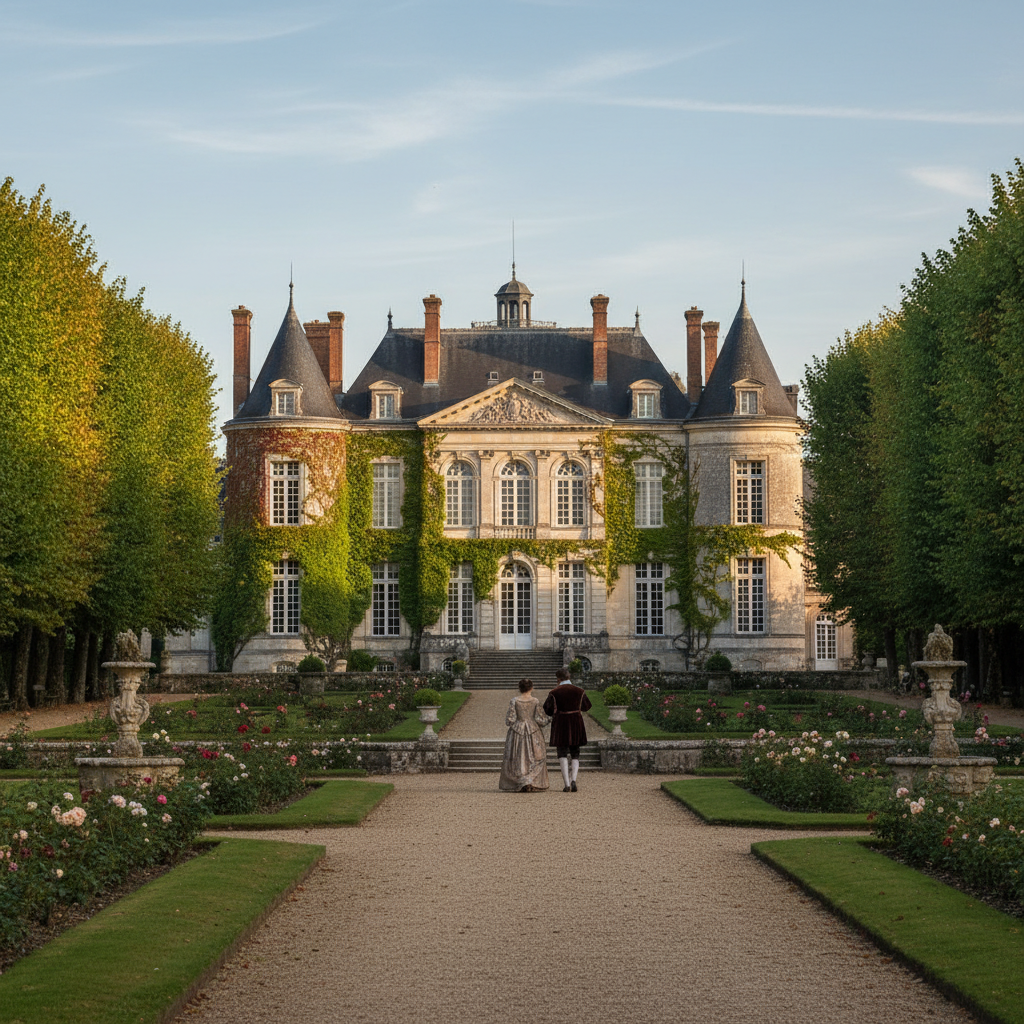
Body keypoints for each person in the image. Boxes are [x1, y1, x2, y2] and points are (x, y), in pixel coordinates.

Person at [543, 667, 591, 792]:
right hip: (576, 721)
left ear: (558, 679)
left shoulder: (554, 692)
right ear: (569, 677)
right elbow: (587, 706)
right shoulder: (579, 691)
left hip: (561, 722)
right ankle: (574, 779)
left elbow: (547, 709)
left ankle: (566, 784)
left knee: (562, 752)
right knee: (575, 753)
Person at [498, 678, 550, 793]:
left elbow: (509, 720)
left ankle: (520, 781)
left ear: (519, 688)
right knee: (534, 756)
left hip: (517, 730)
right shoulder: (535, 701)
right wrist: (548, 720)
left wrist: (515, 723)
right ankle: (530, 781)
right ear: (531, 688)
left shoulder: (514, 701)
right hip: (533, 730)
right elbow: (540, 720)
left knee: (518, 756)